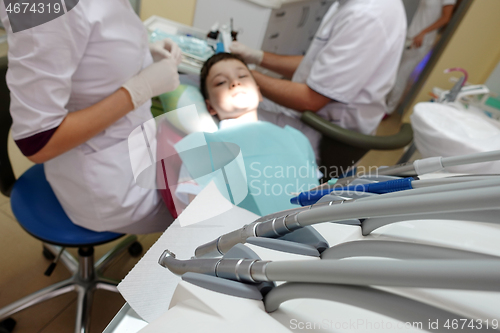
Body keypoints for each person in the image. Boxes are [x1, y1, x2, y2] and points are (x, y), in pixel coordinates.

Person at [0, 0, 181, 233]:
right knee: (206, 205)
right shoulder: (44, 7)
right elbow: (38, 142)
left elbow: (89, 43)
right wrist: (139, 89)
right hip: (110, 184)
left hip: (138, 147)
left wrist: (142, 53)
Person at [229, 0, 407, 159]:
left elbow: (310, 99)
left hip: (323, 134)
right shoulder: (351, 5)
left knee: (224, 120)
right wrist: (257, 57)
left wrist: (240, 75)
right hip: (310, 115)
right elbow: (319, 64)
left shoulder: (367, 15)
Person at [174, 53, 319, 216]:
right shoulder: (204, 149)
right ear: (210, 107)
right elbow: (201, 219)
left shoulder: (296, 138)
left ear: (259, 92)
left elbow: (317, 195)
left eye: (242, 76)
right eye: (221, 82)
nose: (235, 83)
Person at [386, 0, 456, 114]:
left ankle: (389, 109)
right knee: (394, 71)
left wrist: (423, 32)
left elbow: (446, 18)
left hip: (422, 40)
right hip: (411, 35)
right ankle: (385, 102)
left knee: (401, 75)